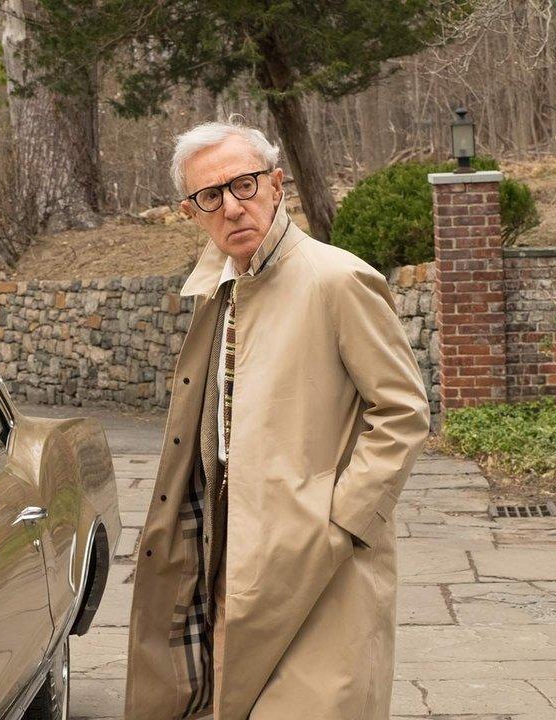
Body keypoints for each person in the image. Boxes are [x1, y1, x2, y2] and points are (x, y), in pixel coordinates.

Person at [123, 120, 430, 720]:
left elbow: (402, 411)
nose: (231, 207)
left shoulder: (338, 279)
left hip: (322, 567)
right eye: (210, 196)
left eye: (244, 184)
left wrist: (340, 522)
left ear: (276, 184)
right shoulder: (217, 289)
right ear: (190, 212)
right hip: (227, 548)